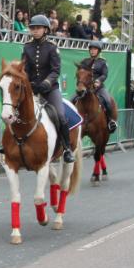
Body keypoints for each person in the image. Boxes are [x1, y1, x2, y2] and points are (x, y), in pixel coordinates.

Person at [20, 15, 74, 162]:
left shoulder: (52, 47)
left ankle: (67, 148)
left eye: (38, 28)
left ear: (45, 29)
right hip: (31, 88)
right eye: (32, 28)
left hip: (49, 89)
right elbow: (24, 68)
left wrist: (46, 83)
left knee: (61, 116)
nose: (35, 30)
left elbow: (55, 70)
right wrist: (28, 83)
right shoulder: (27, 47)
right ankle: (6, 144)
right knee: (13, 111)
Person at [79, 41, 118, 132]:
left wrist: (98, 81)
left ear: (99, 51)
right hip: (86, 88)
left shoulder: (102, 62)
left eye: (95, 49)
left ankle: (110, 121)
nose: (92, 51)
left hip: (98, 88)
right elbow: (81, 73)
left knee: (108, 100)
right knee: (72, 99)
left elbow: (104, 74)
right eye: (91, 49)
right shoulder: (85, 61)